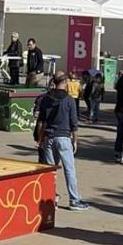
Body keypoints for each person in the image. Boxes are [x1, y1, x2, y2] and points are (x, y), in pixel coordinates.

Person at [34, 75, 90, 211]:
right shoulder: (69, 99)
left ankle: (50, 198)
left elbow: (41, 120)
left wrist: (40, 139)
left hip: (48, 137)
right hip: (63, 137)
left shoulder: (46, 98)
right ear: (64, 82)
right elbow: (74, 122)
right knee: (69, 170)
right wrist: (75, 140)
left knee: (50, 171)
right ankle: (74, 200)